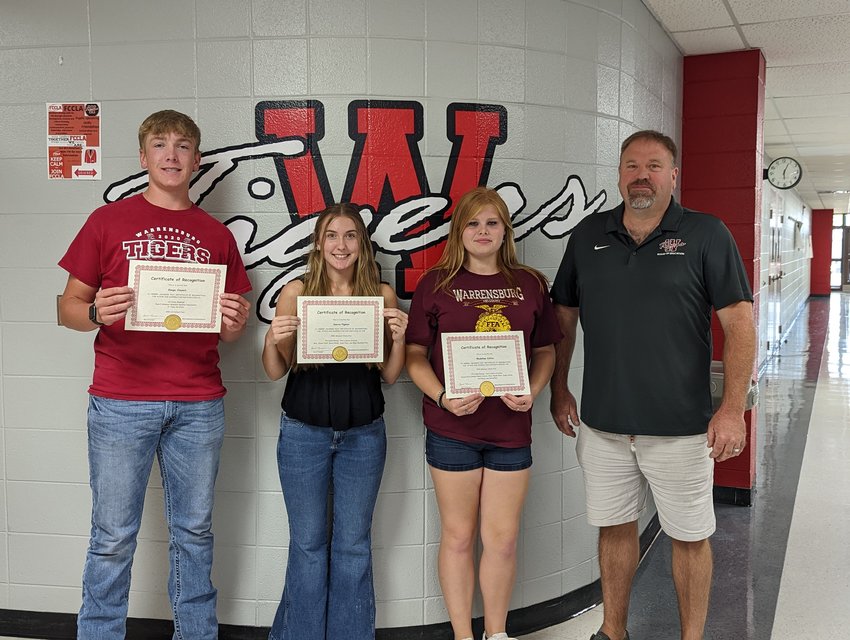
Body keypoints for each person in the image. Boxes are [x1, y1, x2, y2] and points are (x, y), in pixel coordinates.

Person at [549, 130, 756, 640]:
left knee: (689, 537)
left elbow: (740, 325)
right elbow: (563, 318)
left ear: (673, 175)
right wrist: (558, 388)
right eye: (632, 165)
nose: (642, 175)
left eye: (655, 165)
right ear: (620, 174)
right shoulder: (587, 236)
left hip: (682, 430)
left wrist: (731, 410)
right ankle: (612, 631)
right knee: (615, 529)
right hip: (604, 425)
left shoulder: (707, 234)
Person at [57, 110, 252, 639]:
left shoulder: (217, 235)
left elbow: (230, 332)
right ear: (143, 158)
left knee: (194, 533)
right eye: (160, 145)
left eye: (183, 146)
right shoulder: (108, 221)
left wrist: (236, 322)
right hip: (121, 401)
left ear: (196, 160)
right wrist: (96, 311)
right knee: (113, 535)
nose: (172, 155)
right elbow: (67, 307)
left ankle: (196, 634)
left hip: (198, 404)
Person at [405, 187, 561, 640]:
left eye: (492, 222)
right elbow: (414, 354)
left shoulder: (529, 282)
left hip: (511, 429)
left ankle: (496, 633)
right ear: (459, 231)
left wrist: (533, 390)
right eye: (472, 223)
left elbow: (546, 350)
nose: (482, 231)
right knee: (457, 537)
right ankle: (462, 634)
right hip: (451, 428)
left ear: (505, 230)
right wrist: (442, 397)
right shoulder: (435, 284)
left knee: (502, 540)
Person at [261, 202, 408, 640]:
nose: (340, 245)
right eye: (331, 236)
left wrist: (399, 337)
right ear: (318, 243)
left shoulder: (381, 295)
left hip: (364, 434)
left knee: (353, 547)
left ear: (362, 244)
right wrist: (272, 338)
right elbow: (273, 370)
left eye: (349, 236)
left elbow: (391, 375)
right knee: (307, 546)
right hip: (304, 432)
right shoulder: (296, 292)